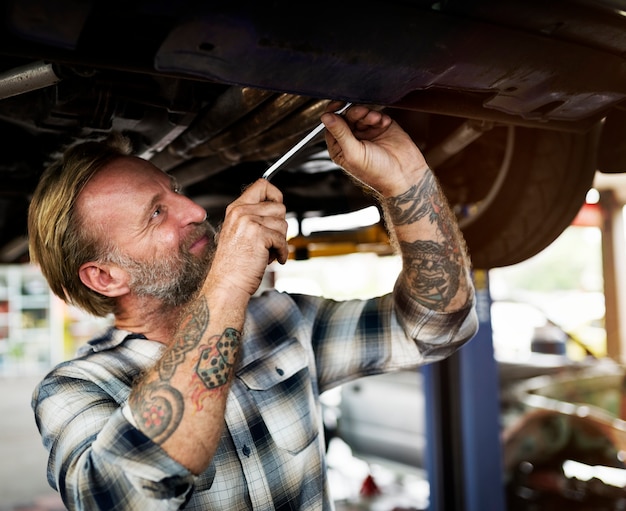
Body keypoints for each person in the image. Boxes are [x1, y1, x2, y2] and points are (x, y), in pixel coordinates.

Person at [29, 103, 478, 510]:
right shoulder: (74, 389)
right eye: (156, 213)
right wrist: (228, 281)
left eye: (176, 190)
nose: (193, 209)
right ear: (105, 277)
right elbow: (124, 496)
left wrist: (406, 181)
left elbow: (437, 326)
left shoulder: (280, 320)